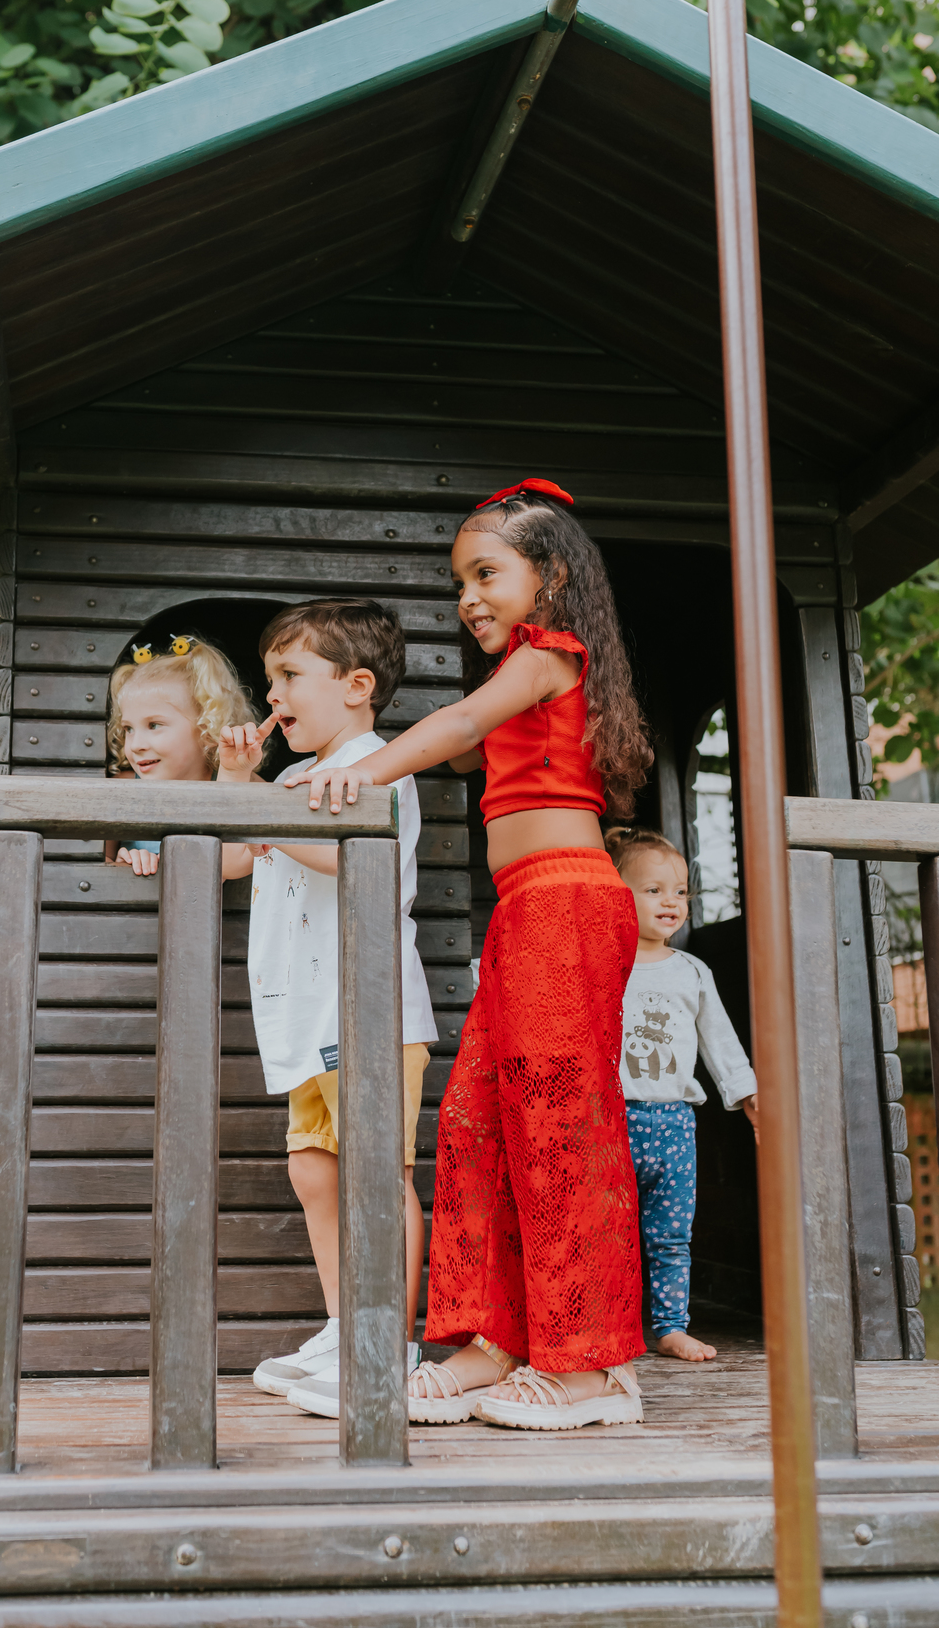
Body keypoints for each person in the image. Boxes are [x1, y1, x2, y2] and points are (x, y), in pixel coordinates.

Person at [287, 479, 651, 1431]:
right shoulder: (520, 685)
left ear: (553, 576)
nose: (468, 599)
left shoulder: (550, 655)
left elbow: (449, 730)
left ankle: (592, 1365)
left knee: (558, 1127)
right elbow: (444, 743)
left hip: (569, 904)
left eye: (486, 574)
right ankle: (494, 1339)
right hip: (525, 912)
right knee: (477, 1123)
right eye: (460, 583)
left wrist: (352, 776)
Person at [214, 599, 437, 1418]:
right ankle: (346, 1328)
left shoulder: (379, 763)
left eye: (289, 677)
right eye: (268, 679)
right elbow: (235, 858)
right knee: (313, 1170)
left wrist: (269, 815)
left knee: (377, 1176)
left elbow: (353, 854)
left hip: (366, 1014)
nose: (273, 696)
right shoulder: (286, 779)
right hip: (304, 1017)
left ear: (357, 687)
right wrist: (239, 783)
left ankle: (389, 1341)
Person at [607, 825, 759, 1364]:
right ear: (616, 894)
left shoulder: (693, 971)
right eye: (653, 890)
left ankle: (671, 1326)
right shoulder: (605, 967)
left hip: (673, 1123)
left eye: (680, 891)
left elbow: (721, 1042)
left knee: (671, 1235)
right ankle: (615, 1327)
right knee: (609, 1234)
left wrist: (747, 1097)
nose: (671, 901)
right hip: (610, 1120)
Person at [103, 635, 254, 874]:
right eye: (128, 729)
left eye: (154, 725)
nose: (135, 745)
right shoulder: (116, 792)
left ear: (206, 727)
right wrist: (121, 867)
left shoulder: (244, 782)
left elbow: (245, 865)